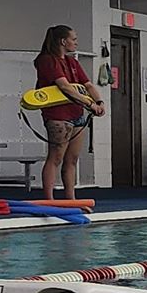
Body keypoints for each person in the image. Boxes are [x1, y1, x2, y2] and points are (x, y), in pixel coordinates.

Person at [33, 24, 104, 202]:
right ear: (63, 41)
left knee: (72, 159)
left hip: (77, 114)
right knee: (55, 157)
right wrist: (89, 103)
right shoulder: (47, 60)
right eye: (74, 39)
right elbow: (64, 86)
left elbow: (88, 85)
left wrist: (99, 101)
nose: (76, 43)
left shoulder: (72, 62)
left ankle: (70, 199)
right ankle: (49, 199)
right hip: (58, 115)